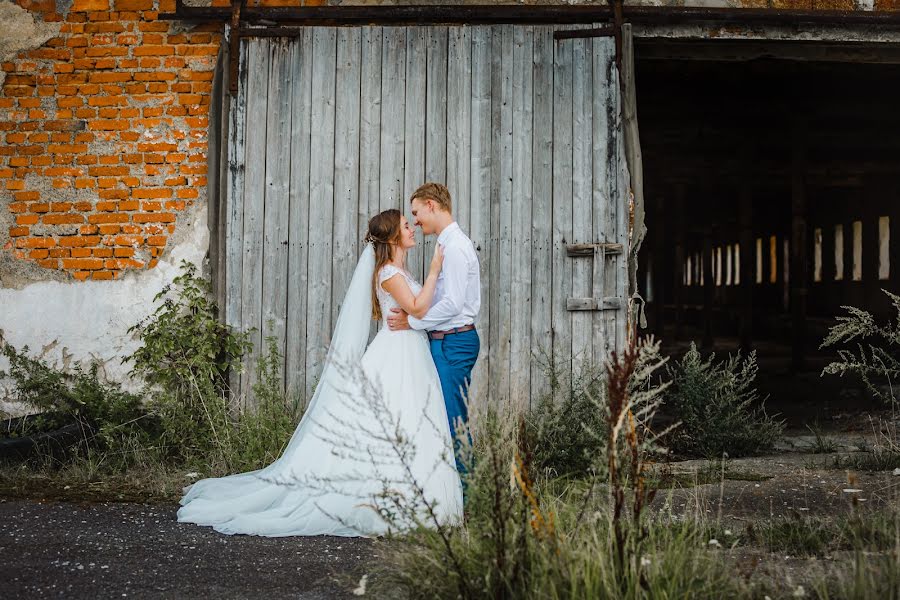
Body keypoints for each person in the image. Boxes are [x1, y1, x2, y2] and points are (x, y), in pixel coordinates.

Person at [177, 209, 463, 537]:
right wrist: (435, 271)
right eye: (406, 226)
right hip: (397, 353)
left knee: (411, 421)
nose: (412, 230)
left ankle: (419, 495)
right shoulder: (388, 273)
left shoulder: (398, 270)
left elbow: (416, 311)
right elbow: (417, 307)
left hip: (410, 351)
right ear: (394, 237)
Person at [387, 183, 481, 476]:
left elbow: (452, 304)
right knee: (444, 419)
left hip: (454, 342)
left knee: (453, 422)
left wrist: (412, 322)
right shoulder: (446, 245)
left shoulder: (454, 247)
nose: (415, 220)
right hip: (445, 341)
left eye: (416, 212)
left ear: (431, 205)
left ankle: (467, 498)